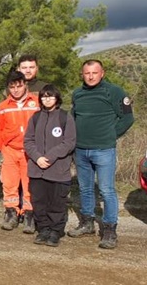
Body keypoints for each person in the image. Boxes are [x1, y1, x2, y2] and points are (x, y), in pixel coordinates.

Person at [68, 59, 134, 249]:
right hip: (80, 150)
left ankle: (110, 229)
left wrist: (111, 135)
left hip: (104, 149)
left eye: (94, 73)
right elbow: (74, 118)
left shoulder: (114, 92)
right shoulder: (77, 94)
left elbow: (128, 118)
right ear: (82, 74)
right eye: (87, 73)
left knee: (106, 191)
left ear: (102, 73)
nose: (90, 76)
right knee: (85, 189)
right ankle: (87, 223)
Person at [23, 85, 76, 247]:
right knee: (39, 202)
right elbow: (28, 141)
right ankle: (43, 229)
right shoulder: (35, 117)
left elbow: (69, 142)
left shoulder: (65, 117)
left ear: (57, 98)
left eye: (50, 96)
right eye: (44, 97)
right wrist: (38, 157)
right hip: (37, 169)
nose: (47, 99)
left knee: (56, 203)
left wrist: (50, 157)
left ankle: (55, 231)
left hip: (58, 170)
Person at [0, 71, 40, 232]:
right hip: (9, 150)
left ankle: (29, 215)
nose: (16, 90)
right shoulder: (3, 106)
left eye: (19, 86)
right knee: (9, 184)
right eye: (12, 87)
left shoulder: (36, 102)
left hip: (30, 151)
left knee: (30, 185)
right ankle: (11, 213)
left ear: (25, 85)